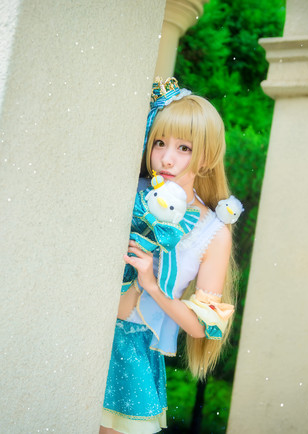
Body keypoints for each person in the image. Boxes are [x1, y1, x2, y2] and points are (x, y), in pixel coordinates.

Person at [100, 77, 241, 434]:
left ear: (206, 157)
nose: (166, 157)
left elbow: (201, 327)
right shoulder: (126, 191)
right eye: (159, 142)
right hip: (86, 328)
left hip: (133, 350)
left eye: (184, 148)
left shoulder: (213, 232)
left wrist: (151, 284)